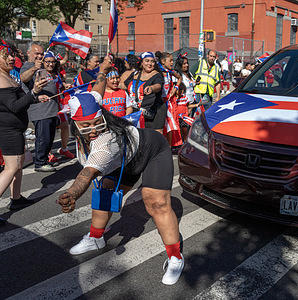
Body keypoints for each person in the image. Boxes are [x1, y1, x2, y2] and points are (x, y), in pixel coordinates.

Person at [56, 57, 184, 285]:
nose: (93, 129)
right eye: (86, 126)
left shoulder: (105, 142)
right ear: (74, 122)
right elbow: (97, 87)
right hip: (124, 158)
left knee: (155, 202)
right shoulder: (91, 101)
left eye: (97, 121)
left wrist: (72, 194)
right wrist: (103, 70)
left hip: (151, 149)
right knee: (105, 193)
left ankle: (175, 256)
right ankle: (96, 238)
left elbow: (86, 175)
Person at [0, 39, 49, 210]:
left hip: (16, 129)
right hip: (8, 131)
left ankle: (16, 198)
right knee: (11, 168)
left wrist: (35, 97)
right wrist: (34, 92)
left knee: (18, 166)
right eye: (6, 56)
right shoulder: (0, 79)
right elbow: (14, 106)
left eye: (12, 55)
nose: (11, 59)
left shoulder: (9, 76)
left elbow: (21, 99)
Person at [20, 43, 60, 172]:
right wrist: (34, 68)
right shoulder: (28, 67)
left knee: (49, 138)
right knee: (43, 138)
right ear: (28, 53)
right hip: (40, 110)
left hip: (50, 110)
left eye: (41, 54)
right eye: (36, 53)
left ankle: (44, 159)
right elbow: (23, 78)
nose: (39, 56)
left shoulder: (42, 67)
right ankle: (39, 162)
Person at [120, 52, 166, 134]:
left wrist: (152, 88)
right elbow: (125, 85)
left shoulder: (157, 75)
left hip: (153, 110)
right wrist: (109, 83)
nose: (150, 64)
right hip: (137, 110)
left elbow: (158, 86)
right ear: (141, 62)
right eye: (147, 61)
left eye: (152, 61)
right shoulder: (135, 73)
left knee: (155, 135)